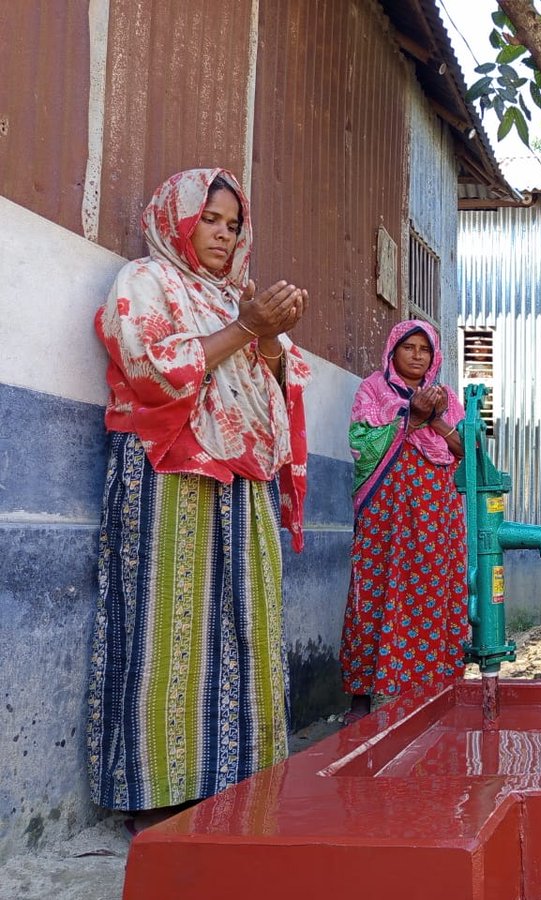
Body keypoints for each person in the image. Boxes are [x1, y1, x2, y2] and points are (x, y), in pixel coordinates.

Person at [87, 168, 310, 833]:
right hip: (168, 479)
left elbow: (278, 381)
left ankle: (233, 781)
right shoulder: (146, 282)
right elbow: (148, 369)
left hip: (241, 486)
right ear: (176, 218)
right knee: (167, 631)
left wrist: (269, 337)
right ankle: (154, 794)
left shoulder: (236, 295)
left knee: (244, 628)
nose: (222, 234)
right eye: (209, 219)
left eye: (232, 224)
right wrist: (246, 328)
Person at [340, 320, 468, 723]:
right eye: (408, 347)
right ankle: (362, 697)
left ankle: (431, 693)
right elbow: (360, 446)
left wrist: (434, 419)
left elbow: (466, 450)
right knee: (374, 590)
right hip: (385, 515)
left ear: (434, 357)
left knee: (430, 591)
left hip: (434, 517)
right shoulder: (372, 391)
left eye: (424, 349)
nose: (416, 355)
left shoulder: (446, 399)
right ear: (392, 351)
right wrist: (408, 418)